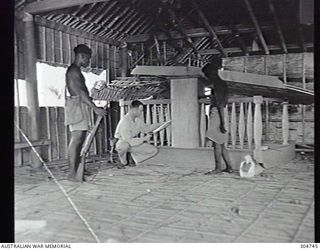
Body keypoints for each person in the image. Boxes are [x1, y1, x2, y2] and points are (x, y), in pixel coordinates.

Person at [65, 44, 107, 181]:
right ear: (81, 56)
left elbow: (84, 93)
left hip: (80, 105)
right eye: (87, 59)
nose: (88, 62)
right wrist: (95, 108)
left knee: (80, 138)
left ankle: (77, 168)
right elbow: (81, 93)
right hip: (76, 105)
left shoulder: (76, 71)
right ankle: (72, 173)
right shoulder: (73, 71)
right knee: (76, 139)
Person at [202, 61, 234, 174]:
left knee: (216, 143)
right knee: (220, 143)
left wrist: (222, 123)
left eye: (207, 74)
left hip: (218, 113)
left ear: (211, 73)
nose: (206, 77)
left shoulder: (216, 84)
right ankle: (229, 167)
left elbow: (219, 104)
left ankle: (218, 168)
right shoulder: (221, 83)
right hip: (220, 112)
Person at [114, 100, 164, 168]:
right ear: (134, 110)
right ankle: (122, 161)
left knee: (153, 150)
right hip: (123, 142)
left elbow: (146, 129)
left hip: (133, 143)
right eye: (140, 111)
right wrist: (144, 139)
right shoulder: (124, 121)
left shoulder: (138, 120)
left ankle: (135, 159)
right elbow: (128, 140)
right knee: (124, 146)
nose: (141, 112)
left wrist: (158, 125)